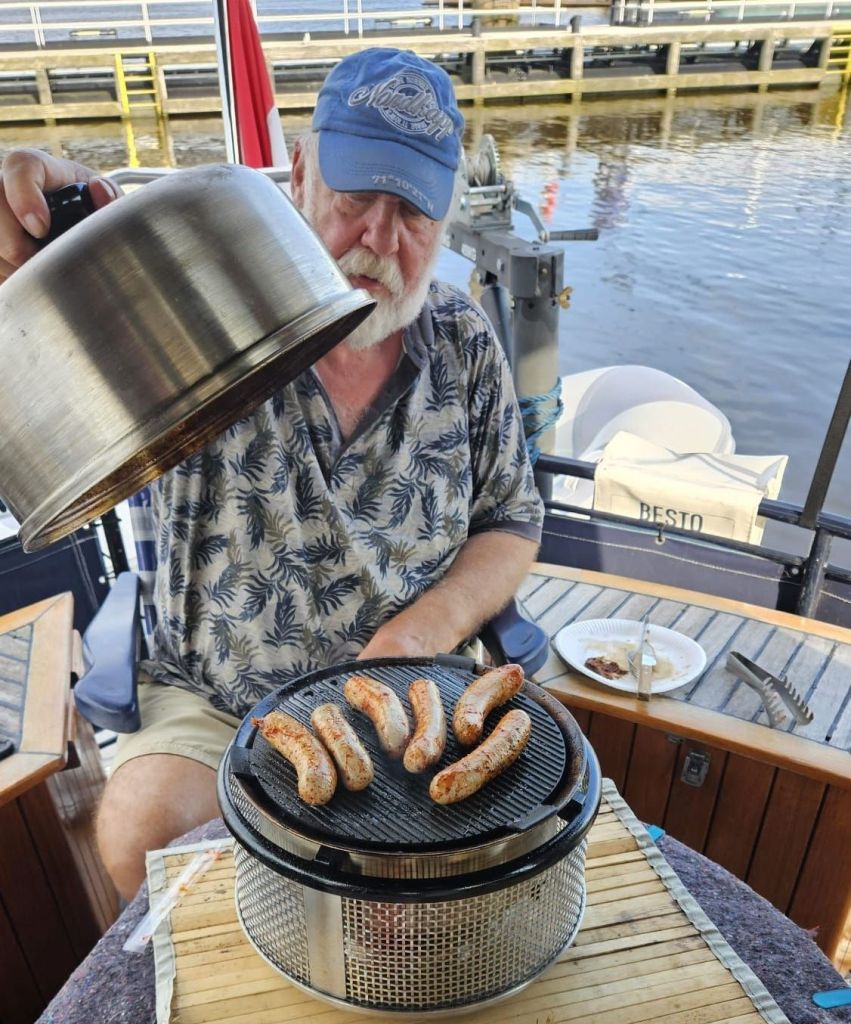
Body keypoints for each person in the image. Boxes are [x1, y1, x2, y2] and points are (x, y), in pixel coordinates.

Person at [0, 47, 544, 900]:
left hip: (416, 692)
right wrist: (47, 221)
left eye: (412, 213)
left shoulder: (464, 340)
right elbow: (77, 308)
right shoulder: (192, 306)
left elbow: (510, 519)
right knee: (145, 834)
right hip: (216, 697)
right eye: (355, 198)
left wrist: (421, 633)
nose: (379, 239)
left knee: (471, 875)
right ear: (299, 174)